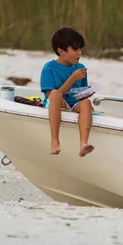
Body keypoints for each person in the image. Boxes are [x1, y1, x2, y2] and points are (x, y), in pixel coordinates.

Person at [40, 27, 95, 156]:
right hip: (55, 103)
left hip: (73, 103)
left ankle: (83, 144)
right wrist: (72, 78)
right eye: (75, 49)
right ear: (61, 51)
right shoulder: (49, 68)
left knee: (86, 103)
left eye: (80, 49)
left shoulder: (80, 68)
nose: (79, 53)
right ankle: (55, 140)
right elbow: (52, 96)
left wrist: (86, 93)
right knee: (54, 94)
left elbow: (79, 95)